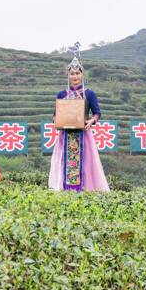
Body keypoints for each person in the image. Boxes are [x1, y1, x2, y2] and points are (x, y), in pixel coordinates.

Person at [48, 43, 109, 192]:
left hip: (83, 134)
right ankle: (64, 189)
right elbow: (56, 114)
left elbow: (97, 113)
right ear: (68, 75)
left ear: (82, 74)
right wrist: (56, 120)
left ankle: (85, 189)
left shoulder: (89, 93)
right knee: (63, 163)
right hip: (65, 135)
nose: (75, 76)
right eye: (72, 73)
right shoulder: (62, 94)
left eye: (77, 73)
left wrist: (91, 121)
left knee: (86, 164)